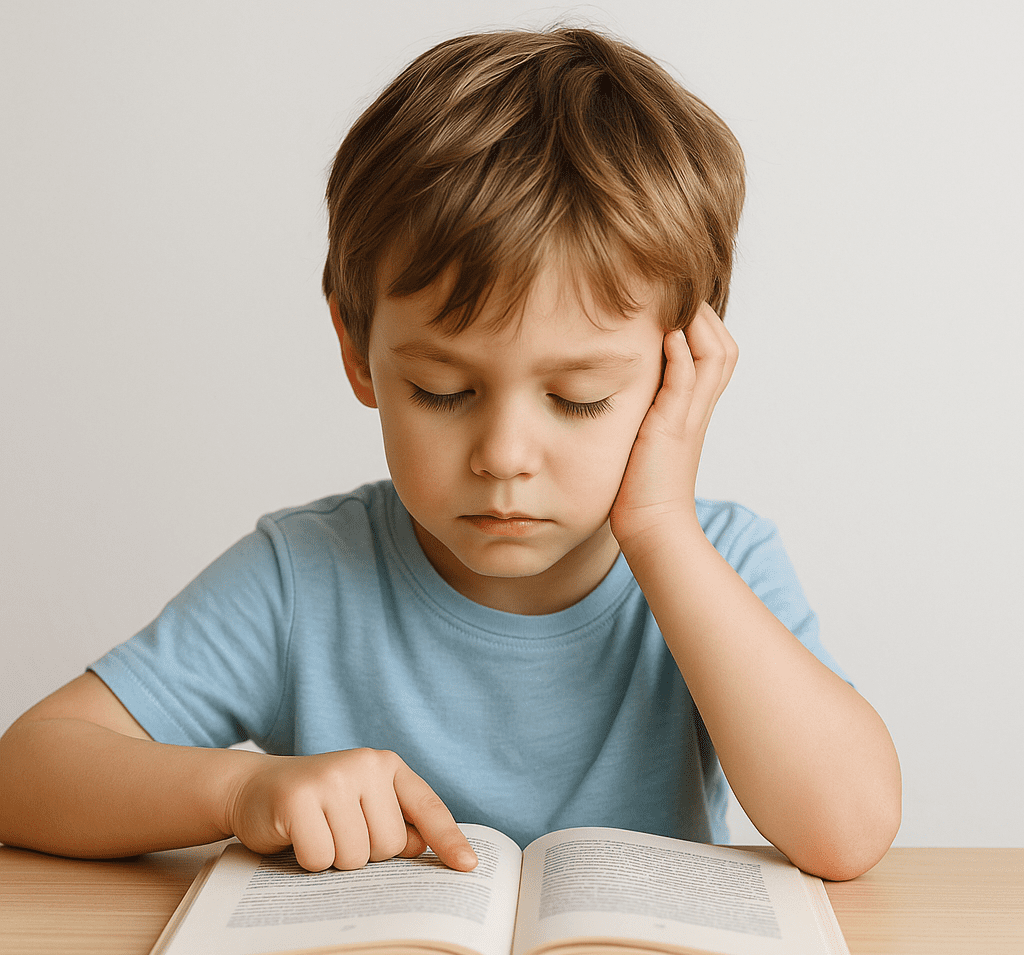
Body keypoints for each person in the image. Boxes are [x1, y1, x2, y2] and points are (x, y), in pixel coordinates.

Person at [0, 27, 900, 882]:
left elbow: (849, 828)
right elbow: (28, 769)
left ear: (679, 373)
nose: (504, 456)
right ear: (359, 352)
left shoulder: (721, 563)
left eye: (578, 398)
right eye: (443, 390)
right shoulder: (303, 576)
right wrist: (238, 792)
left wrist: (660, 527)